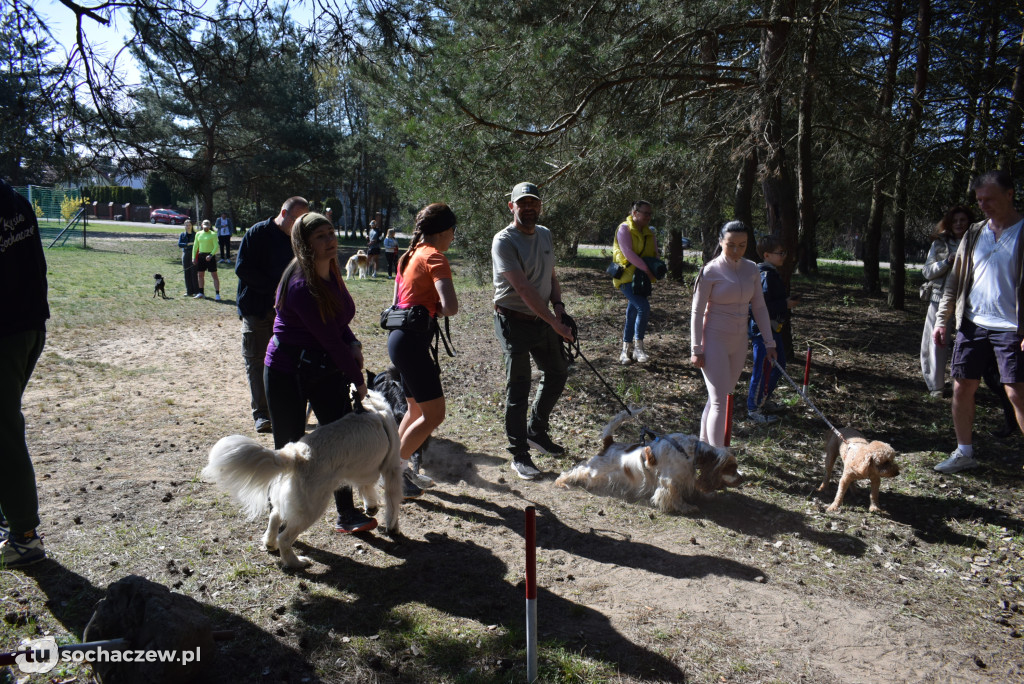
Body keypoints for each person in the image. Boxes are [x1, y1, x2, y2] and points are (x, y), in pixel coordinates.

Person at [264, 212, 377, 533]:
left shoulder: (331, 270)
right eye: (320, 237)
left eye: (331, 233)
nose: (330, 240)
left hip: (323, 366)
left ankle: (347, 514)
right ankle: (279, 519)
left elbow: (337, 322)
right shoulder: (301, 284)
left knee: (336, 443)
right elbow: (329, 338)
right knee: (289, 448)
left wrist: (353, 341)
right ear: (305, 244)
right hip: (288, 371)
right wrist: (358, 380)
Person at [932, 170, 1024, 473]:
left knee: (1016, 392)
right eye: (979, 200)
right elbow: (955, 280)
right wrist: (942, 320)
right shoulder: (974, 233)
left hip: (1012, 327)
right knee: (962, 387)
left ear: (1009, 194)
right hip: (973, 324)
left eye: (989, 199)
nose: (983, 205)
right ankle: (964, 452)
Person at [492, 182, 575, 480]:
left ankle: (536, 432)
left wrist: (559, 308)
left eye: (533, 203)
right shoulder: (503, 241)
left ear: (540, 205)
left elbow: (551, 277)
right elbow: (524, 289)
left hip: (542, 320)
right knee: (519, 387)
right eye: (522, 203)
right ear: (511, 207)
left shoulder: (545, 234)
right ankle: (519, 454)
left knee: (557, 372)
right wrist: (554, 322)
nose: (528, 208)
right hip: (512, 321)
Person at [387, 203, 459, 497]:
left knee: (415, 409)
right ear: (444, 231)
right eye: (453, 232)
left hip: (399, 340)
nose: (453, 237)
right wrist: (436, 309)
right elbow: (450, 307)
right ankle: (394, 474)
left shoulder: (408, 255)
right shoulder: (435, 257)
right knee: (434, 414)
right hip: (412, 344)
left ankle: (395, 468)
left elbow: (398, 301)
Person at [690, 221, 777, 447]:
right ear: (721, 242)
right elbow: (697, 311)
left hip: (739, 341)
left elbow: (759, 307)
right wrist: (696, 349)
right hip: (714, 339)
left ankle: (703, 447)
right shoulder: (710, 271)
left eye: (742, 245)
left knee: (721, 396)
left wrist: (769, 342)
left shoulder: (752, 269)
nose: (737, 250)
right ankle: (719, 456)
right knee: (720, 401)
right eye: (731, 245)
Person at [0, 178, 50, 567]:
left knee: (3, 432)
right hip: (29, 327)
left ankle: (24, 535)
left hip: (7, 333)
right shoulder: (17, 201)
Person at [236, 197, 309, 434]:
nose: (299, 226)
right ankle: (261, 414)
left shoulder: (298, 239)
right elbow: (242, 268)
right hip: (256, 309)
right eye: (296, 220)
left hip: (286, 312)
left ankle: (282, 409)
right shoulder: (257, 233)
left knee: (286, 361)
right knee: (256, 361)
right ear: (283, 213)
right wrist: (275, 290)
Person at [745, 235, 799, 424]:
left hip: (774, 330)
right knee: (762, 369)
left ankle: (763, 399)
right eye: (780, 253)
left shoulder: (773, 273)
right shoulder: (764, 275)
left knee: (779, 365)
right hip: (762, 331)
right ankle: (753, 409)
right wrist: (785, 304)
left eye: (784, 252)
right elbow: (759, 307)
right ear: (766, 255)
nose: (784, 256)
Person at [921, 206, 972, 396]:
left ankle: (965, 385)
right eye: (955, 220)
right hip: (939, 299)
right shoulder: (939, 244)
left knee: (967, 343)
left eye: (963, 220)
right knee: (936, 343)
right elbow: (927, 272)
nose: (959, 224)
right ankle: (936, 386)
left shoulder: (977, 242)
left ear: (969, 223)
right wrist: (946, 262)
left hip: (969, 302)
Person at [611, 200, 658, 364]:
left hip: (642, 279)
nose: (648, 217)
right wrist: (647, 269)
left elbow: (654, 253)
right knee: (643, 307)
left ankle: (625, 351)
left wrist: (656, 267)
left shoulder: (649, 232)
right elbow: (628, 253)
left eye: (650, 214)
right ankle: (638, 348)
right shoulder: (624, 229)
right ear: (634, 213)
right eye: (645, 213)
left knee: (632, 312)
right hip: (626, 278)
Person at [192, 219, 221, 300]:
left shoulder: (213, 234)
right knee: (200, 275)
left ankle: (217, 294)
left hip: (210, 256)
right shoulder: (198, 234)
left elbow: (216, 246)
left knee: (214, 275)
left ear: (210, 226)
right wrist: (193, 257)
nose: (206, 228)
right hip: (201, 256)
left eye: (207, 226)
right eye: (204, 226)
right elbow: (195, 246)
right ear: (202, 225)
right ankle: (201, 293)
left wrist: (211, 255)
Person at [177, 219, 199, 297]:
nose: (188, 226)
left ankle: (196, 291)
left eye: (189, 225)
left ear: (192, 226)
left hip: (193, 255)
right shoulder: (182, 234)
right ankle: (189, 291)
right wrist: (188, 244)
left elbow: (197, 245)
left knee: (194, 273)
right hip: (185, 254)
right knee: (187, 273)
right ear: (184, 226)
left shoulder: (196, 234)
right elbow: (180, 244)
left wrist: (190, 245)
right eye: (186, 225)